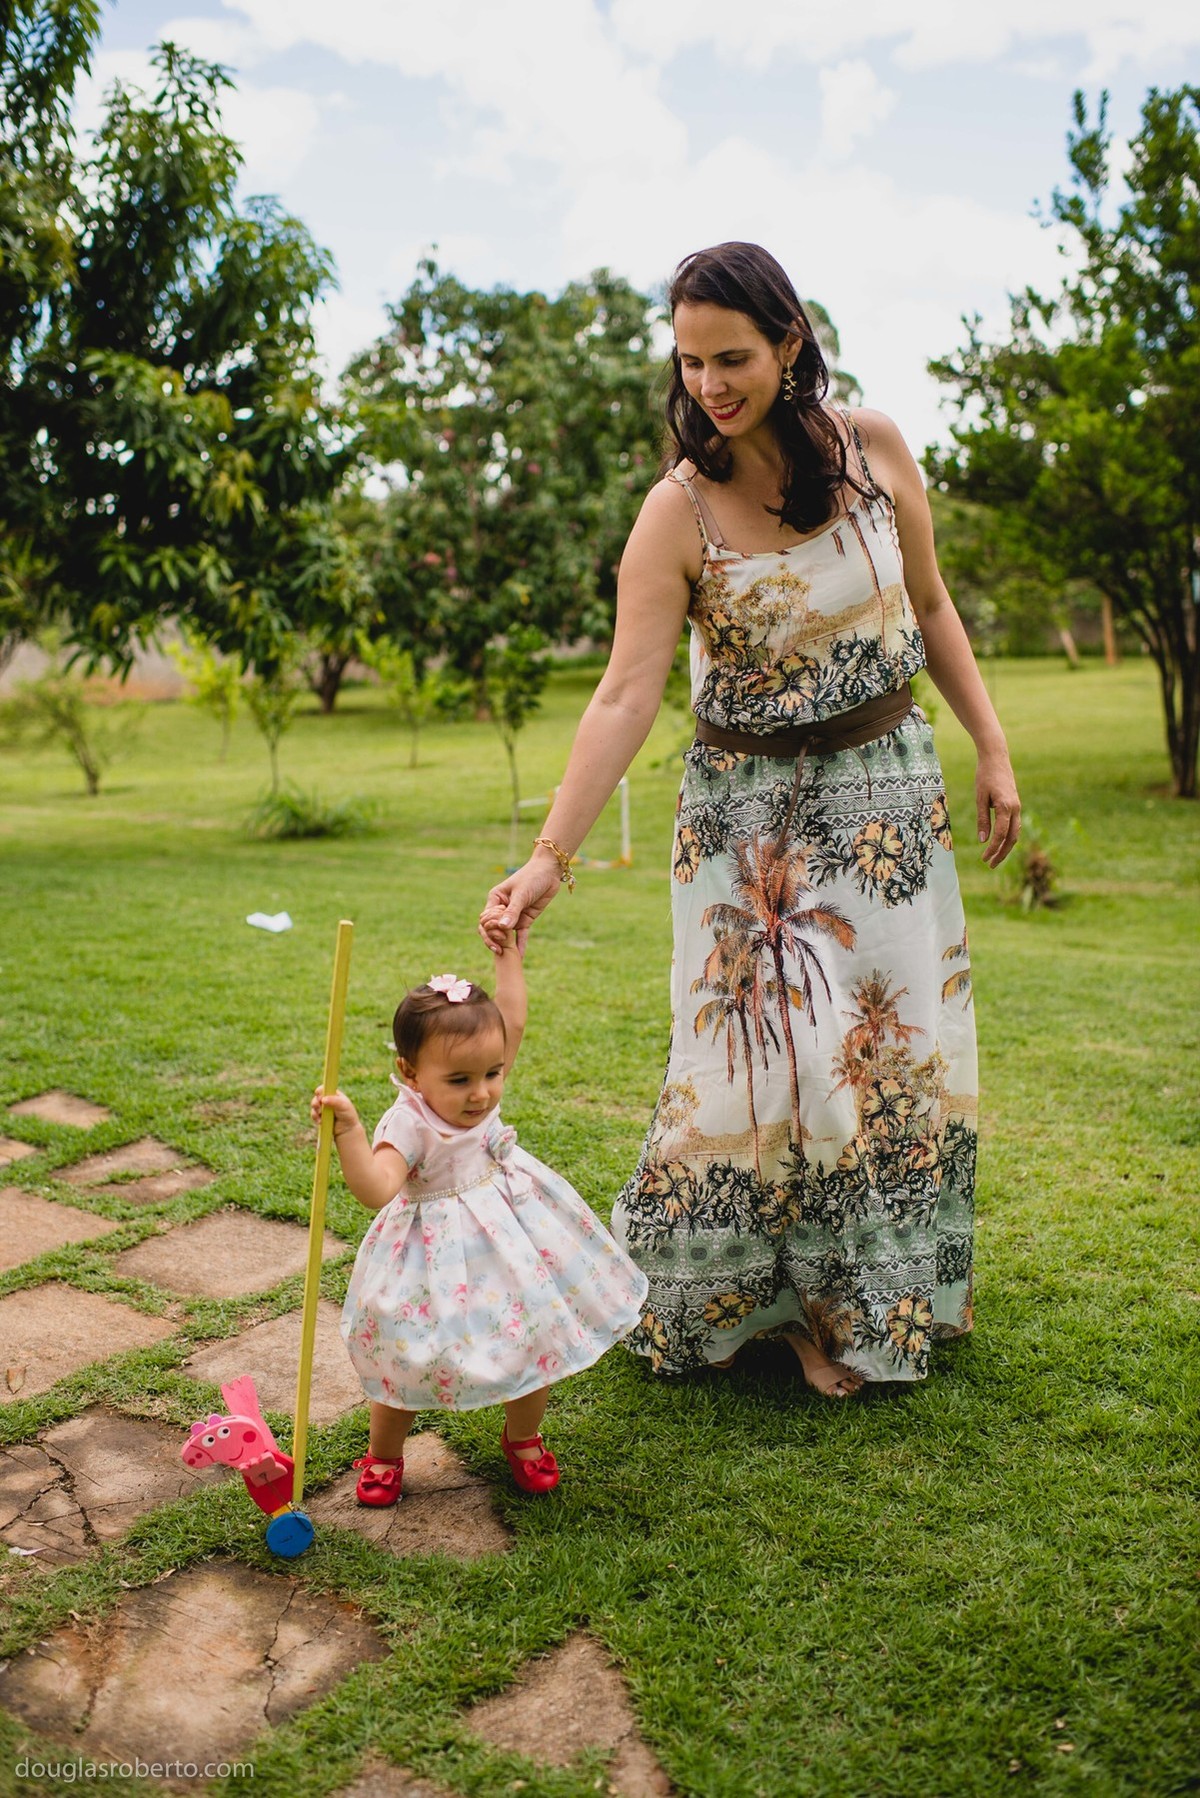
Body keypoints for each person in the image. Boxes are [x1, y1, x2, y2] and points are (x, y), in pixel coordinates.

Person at [481, 241, 1020, 1399]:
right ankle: (765, 1308)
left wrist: (995, 744)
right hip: (747, 830)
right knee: (754, 1069)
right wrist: (547, 858)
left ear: (790, 340)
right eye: (690, 362)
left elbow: (928, 605)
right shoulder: (675, 509)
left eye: (733, 358)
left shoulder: (874, 449)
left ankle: (872, 1294)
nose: (711, 385)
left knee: (877, 1061)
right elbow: (628, 692)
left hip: (885, 802)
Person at [312, 940, 648, 1503]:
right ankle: (385, 1454)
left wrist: (508, 957)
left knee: (533, 1334)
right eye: (461, 1080)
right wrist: (347, 1131)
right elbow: (375, 1189)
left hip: (512, 1235)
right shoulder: (408, 1123)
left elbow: (511, 1018)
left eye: (492, 1073)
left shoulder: (481, 1079)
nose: (484, 1092)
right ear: (410, 1072)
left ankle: (523, 1437)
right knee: (407, 1349)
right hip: (430, 1255)